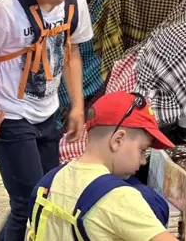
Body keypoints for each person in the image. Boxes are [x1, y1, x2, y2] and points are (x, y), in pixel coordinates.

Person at [0, 0, 92, 241]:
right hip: (8, 116)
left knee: (46, 195)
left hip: (48, 113)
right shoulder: (5, 11)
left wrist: (76, 107)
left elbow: (71, 52)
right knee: (28, 203)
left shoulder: (74, 1)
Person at [26, 91, 176, 241]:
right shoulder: (120, 198)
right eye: (142, 150)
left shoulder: (49, 182)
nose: (143, 161)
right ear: (118, 140)